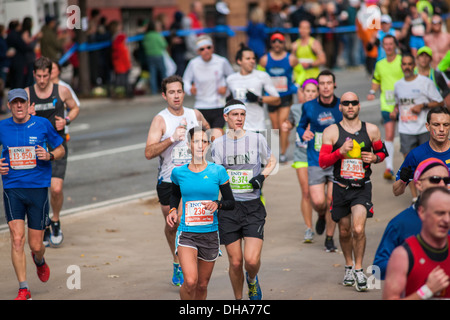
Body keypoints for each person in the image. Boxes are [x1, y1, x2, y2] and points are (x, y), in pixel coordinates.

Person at [144, 75, 210, 287]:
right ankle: (177, 260)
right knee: (172, 225)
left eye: (179, 91)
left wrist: (206, 142)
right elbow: (148, 152)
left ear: (184, 92)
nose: (176, 96)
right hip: (168, 181)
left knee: (185, 221)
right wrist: (171, 138)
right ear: (164, 95)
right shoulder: (160, 120)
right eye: (171, 92)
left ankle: (188, 264)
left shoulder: (194, 114)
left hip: (194, 178)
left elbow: (209, 132)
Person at [319, 91, 388, 291]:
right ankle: (348, 265)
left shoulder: (372, 130)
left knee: (358, 229)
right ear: (340, 107)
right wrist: (339, 152)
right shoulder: (331, 132)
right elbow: (323, 162)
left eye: (354, 103)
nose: (350, 106)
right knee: (344, 230)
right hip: (340, 188)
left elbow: (383, 151)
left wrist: (375, 158)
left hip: (362, 188)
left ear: (359, 106)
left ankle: (358, 269)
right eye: (346, 103)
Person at [1, 88, 65, 300]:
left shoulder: (42, 125)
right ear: (9, 106)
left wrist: (49, 155)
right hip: (13, 189)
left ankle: (38, 260)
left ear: (29, 105)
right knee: (17, 239)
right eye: (14, 103)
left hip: (37, 189)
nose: (18, 106)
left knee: (36, 245)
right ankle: (23, 287)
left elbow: (61, 148)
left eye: (22, 102)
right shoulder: (2, 126)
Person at [211, 99, 277, 300]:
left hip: (253, 207)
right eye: (234, 114)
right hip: (230, 209)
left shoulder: (257, 139)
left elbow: (271, 160)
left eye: (242, 114)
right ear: (226, 117)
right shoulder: (218, 144)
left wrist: (262, 176)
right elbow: (215, 175)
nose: (239, 118)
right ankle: (239, 299)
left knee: (250, 260)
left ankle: (252, 279)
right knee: (236, 262)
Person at [166, 127, 235, 300]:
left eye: (204, 141)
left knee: (202, 285)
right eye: (196, 141)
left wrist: (217, 204)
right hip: (186, 233)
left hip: (210, 234)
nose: (200, 145)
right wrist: (173, 210)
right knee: (190, 281)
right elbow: (174, 195)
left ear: (208, 145)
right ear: (189, 145)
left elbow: (230, 202)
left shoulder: (218, 171)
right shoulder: (178, 172)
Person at [25, 56, 79, 247]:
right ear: (34, 75)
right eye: (38, 76)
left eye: (45, 76)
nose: (41, 80)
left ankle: (55, 220)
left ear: (51, 74)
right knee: (39, 191)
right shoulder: (27, 94)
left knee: (56, 189)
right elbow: (16, 118)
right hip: (34, 148)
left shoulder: (62, 90)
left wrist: (67, 121)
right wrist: (26, 115)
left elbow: (74, 108)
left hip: (57, 146)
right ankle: (44, 223)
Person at [375, 158, 450, 280]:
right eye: (435, 179)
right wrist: (413, 266)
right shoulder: (399, 223)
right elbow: (377, 269)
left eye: (446, 180)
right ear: (418, 184)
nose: (442, 185)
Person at [297, 70, 342, 252]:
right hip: (316, 159)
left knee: (333, 199)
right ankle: (321, 215)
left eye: (328, 83)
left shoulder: (341, 106)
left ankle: (330, 238)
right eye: (322, 83)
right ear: (318, 87)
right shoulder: (309, 106)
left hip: (337, 159)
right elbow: (300, 126)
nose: (325, 86)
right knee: (317, 201)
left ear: (334, 85)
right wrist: (303, 133)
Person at [392, 53, 444, 202]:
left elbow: (440, 102)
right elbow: (398, 103)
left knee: (428, 163)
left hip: (422, 129)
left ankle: (429, 194)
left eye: (409, 64)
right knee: (409, 166)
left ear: (414, 66)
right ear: (401, 66)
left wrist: (423, 105)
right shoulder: (398, 85)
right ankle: (416, 198)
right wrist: (395, 110)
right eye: (404, 64)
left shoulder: (425, 82)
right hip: (405, 130)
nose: (407, 67)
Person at [383, 186, 450, 300]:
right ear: (422, 212)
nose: (446, 220)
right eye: (440, 213)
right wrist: (427, 291)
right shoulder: (403, 255)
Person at [281, 78, 318, 242]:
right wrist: (286, 126)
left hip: (319, 156)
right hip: (301, 156)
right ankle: (309, 228)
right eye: (307, 91)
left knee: (321, 198)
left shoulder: (324, 109)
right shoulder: (296, 108)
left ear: (318, 93)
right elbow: (290, 123)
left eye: (313, 91)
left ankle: (322, 214)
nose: (309, 94)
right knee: (306, 192)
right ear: (302, 93)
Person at [182, 35, 234, 140]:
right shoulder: (193, 64)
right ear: (198, 51)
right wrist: (189, 89)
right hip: (201, 106)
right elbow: (185, 80)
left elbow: (232, 78)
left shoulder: (221, 61)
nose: (206, 51)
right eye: (202, 49)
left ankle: (219, 156)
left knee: (217, 138)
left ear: (212, 48)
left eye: (208, 47)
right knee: (200, 141)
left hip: (218, 105)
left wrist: (226, 88)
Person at [367, 34, 403, 180]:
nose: (388, 47)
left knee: (406, 136)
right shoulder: (380, 64)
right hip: (387, 104)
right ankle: (389, 167)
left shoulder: (402, 61)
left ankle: (412, 165)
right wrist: (372, 91)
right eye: (385, 44)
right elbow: (376, 79)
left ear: (395, 45)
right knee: (388, 134)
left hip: (404, 104)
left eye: (390, 44)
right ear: (383, 46)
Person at [392, 107, 450, 197]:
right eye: (436, 124)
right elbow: (396, 192)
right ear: (428, 126)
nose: (441, 129)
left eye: (446, 124)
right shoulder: (416, 155)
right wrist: (402, 181)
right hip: (431, 209)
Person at [259, 32, 299, 163]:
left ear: (283, 44)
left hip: (285, 96)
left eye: (280, 41)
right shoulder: (265, 59)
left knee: (283, 125)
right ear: (271, 44)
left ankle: (282, 153)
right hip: (271, 97)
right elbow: (259, 75)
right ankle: (279, 147)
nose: (277, 44)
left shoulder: (291, 58)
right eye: (274, 41)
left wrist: (296, 85)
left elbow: (301, 72)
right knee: (275, 127)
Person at [226, 44, 280, 132]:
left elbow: (277, 100)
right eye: (248, 59)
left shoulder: (262, 76)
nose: (252, 61)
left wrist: (258, 98)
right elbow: (227, 103)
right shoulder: (231, 79)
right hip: (237, 128)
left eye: (253, 58)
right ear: (239, 61)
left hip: (257, 127)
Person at [291, 20, 326, 90]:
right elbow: (291, 62)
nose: (303, 30)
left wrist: (309, 64)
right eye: (301, 28)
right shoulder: (295, 45)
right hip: (299, 79)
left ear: (309, 30)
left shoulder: (314, 44)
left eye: (305, 28)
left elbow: (323, 60)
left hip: (312, 78)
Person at [143, 21, 168, 95]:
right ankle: (166, 89)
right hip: (158, 55)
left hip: (149, 56)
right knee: (163, 72)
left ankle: (153, 90)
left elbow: (144, 45)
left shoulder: (146, 36)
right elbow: (164, 45)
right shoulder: (157, 35)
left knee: (152, 73)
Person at [110, 20, 132, 99]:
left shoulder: (118, 42)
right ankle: (122, 93)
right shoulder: (119, 41)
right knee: (122, 80)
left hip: (122, 64)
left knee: (122, 80)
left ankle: (122, 93)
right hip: (122, 64)